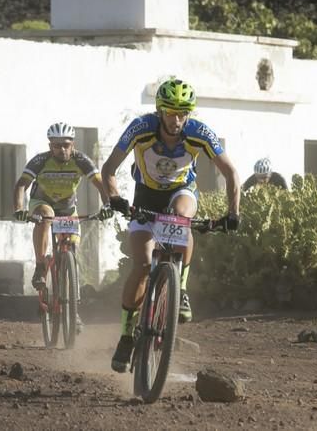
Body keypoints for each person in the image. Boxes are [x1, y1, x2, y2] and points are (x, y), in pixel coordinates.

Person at [101, 78, 241, 373]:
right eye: (170, 112)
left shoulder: (198, 132)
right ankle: (126, 335)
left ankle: (182, 289)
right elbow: (109, 169)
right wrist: (115, 198)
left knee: (181, 217)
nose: (176, 120)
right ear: (159, 110)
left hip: (182, 191)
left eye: (183, 113)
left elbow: (230, 172)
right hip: (145, 195)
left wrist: (233, 213)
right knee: (140, 266)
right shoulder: (141, 127)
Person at [13, 122, 113, 331]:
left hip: (68, 209)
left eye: (66, 145)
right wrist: (19, 208)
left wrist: (108, 205)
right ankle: (40, 266)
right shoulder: (40, 160)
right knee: (47, 216)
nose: (62, 149)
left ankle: (73, 312)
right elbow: (22, 184)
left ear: (72, 144)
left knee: (71, 252)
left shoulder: (81, 160)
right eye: (57, 145)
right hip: (41, 203)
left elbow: (99, 183)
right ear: (50, 146)